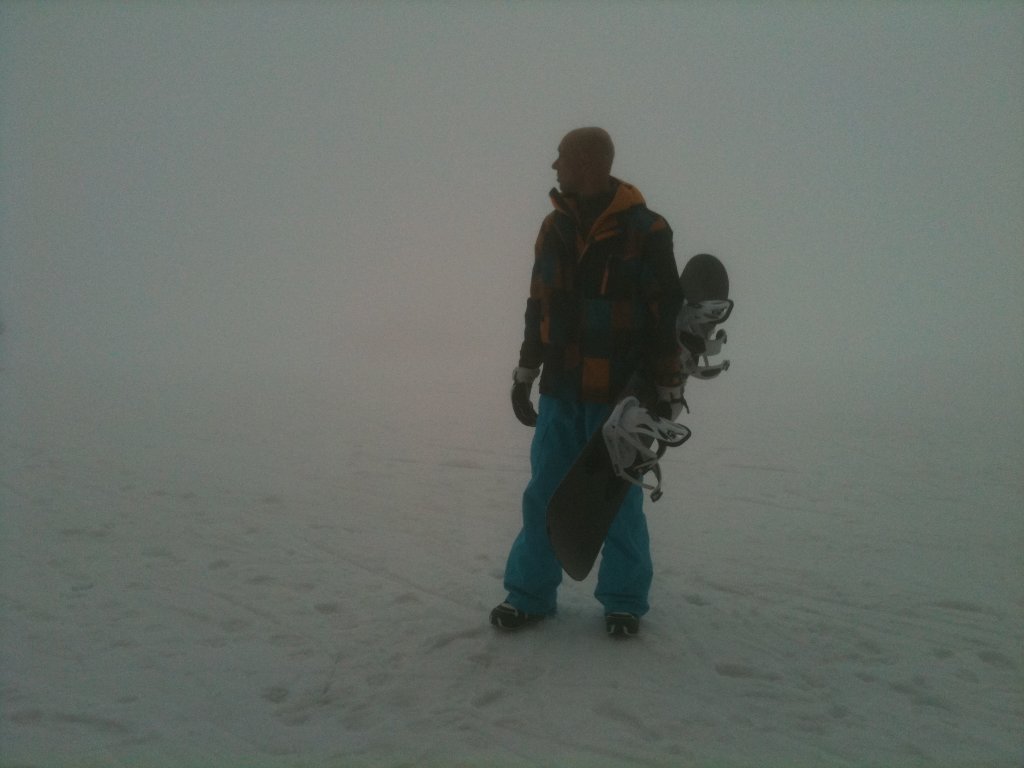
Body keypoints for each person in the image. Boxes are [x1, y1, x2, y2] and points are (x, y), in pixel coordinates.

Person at [491, 128, 685, 637]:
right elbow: (539, 305)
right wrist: (525, 372)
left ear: (589, 163)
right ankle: (529, 595)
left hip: (622, 397)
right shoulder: (552, 228)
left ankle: (623, 601)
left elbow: (666, 316)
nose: (554, 166)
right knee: (545, 495)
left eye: (562, 158)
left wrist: (667, 389)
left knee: (615, 501)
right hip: (561, 391)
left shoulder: (648, 230)